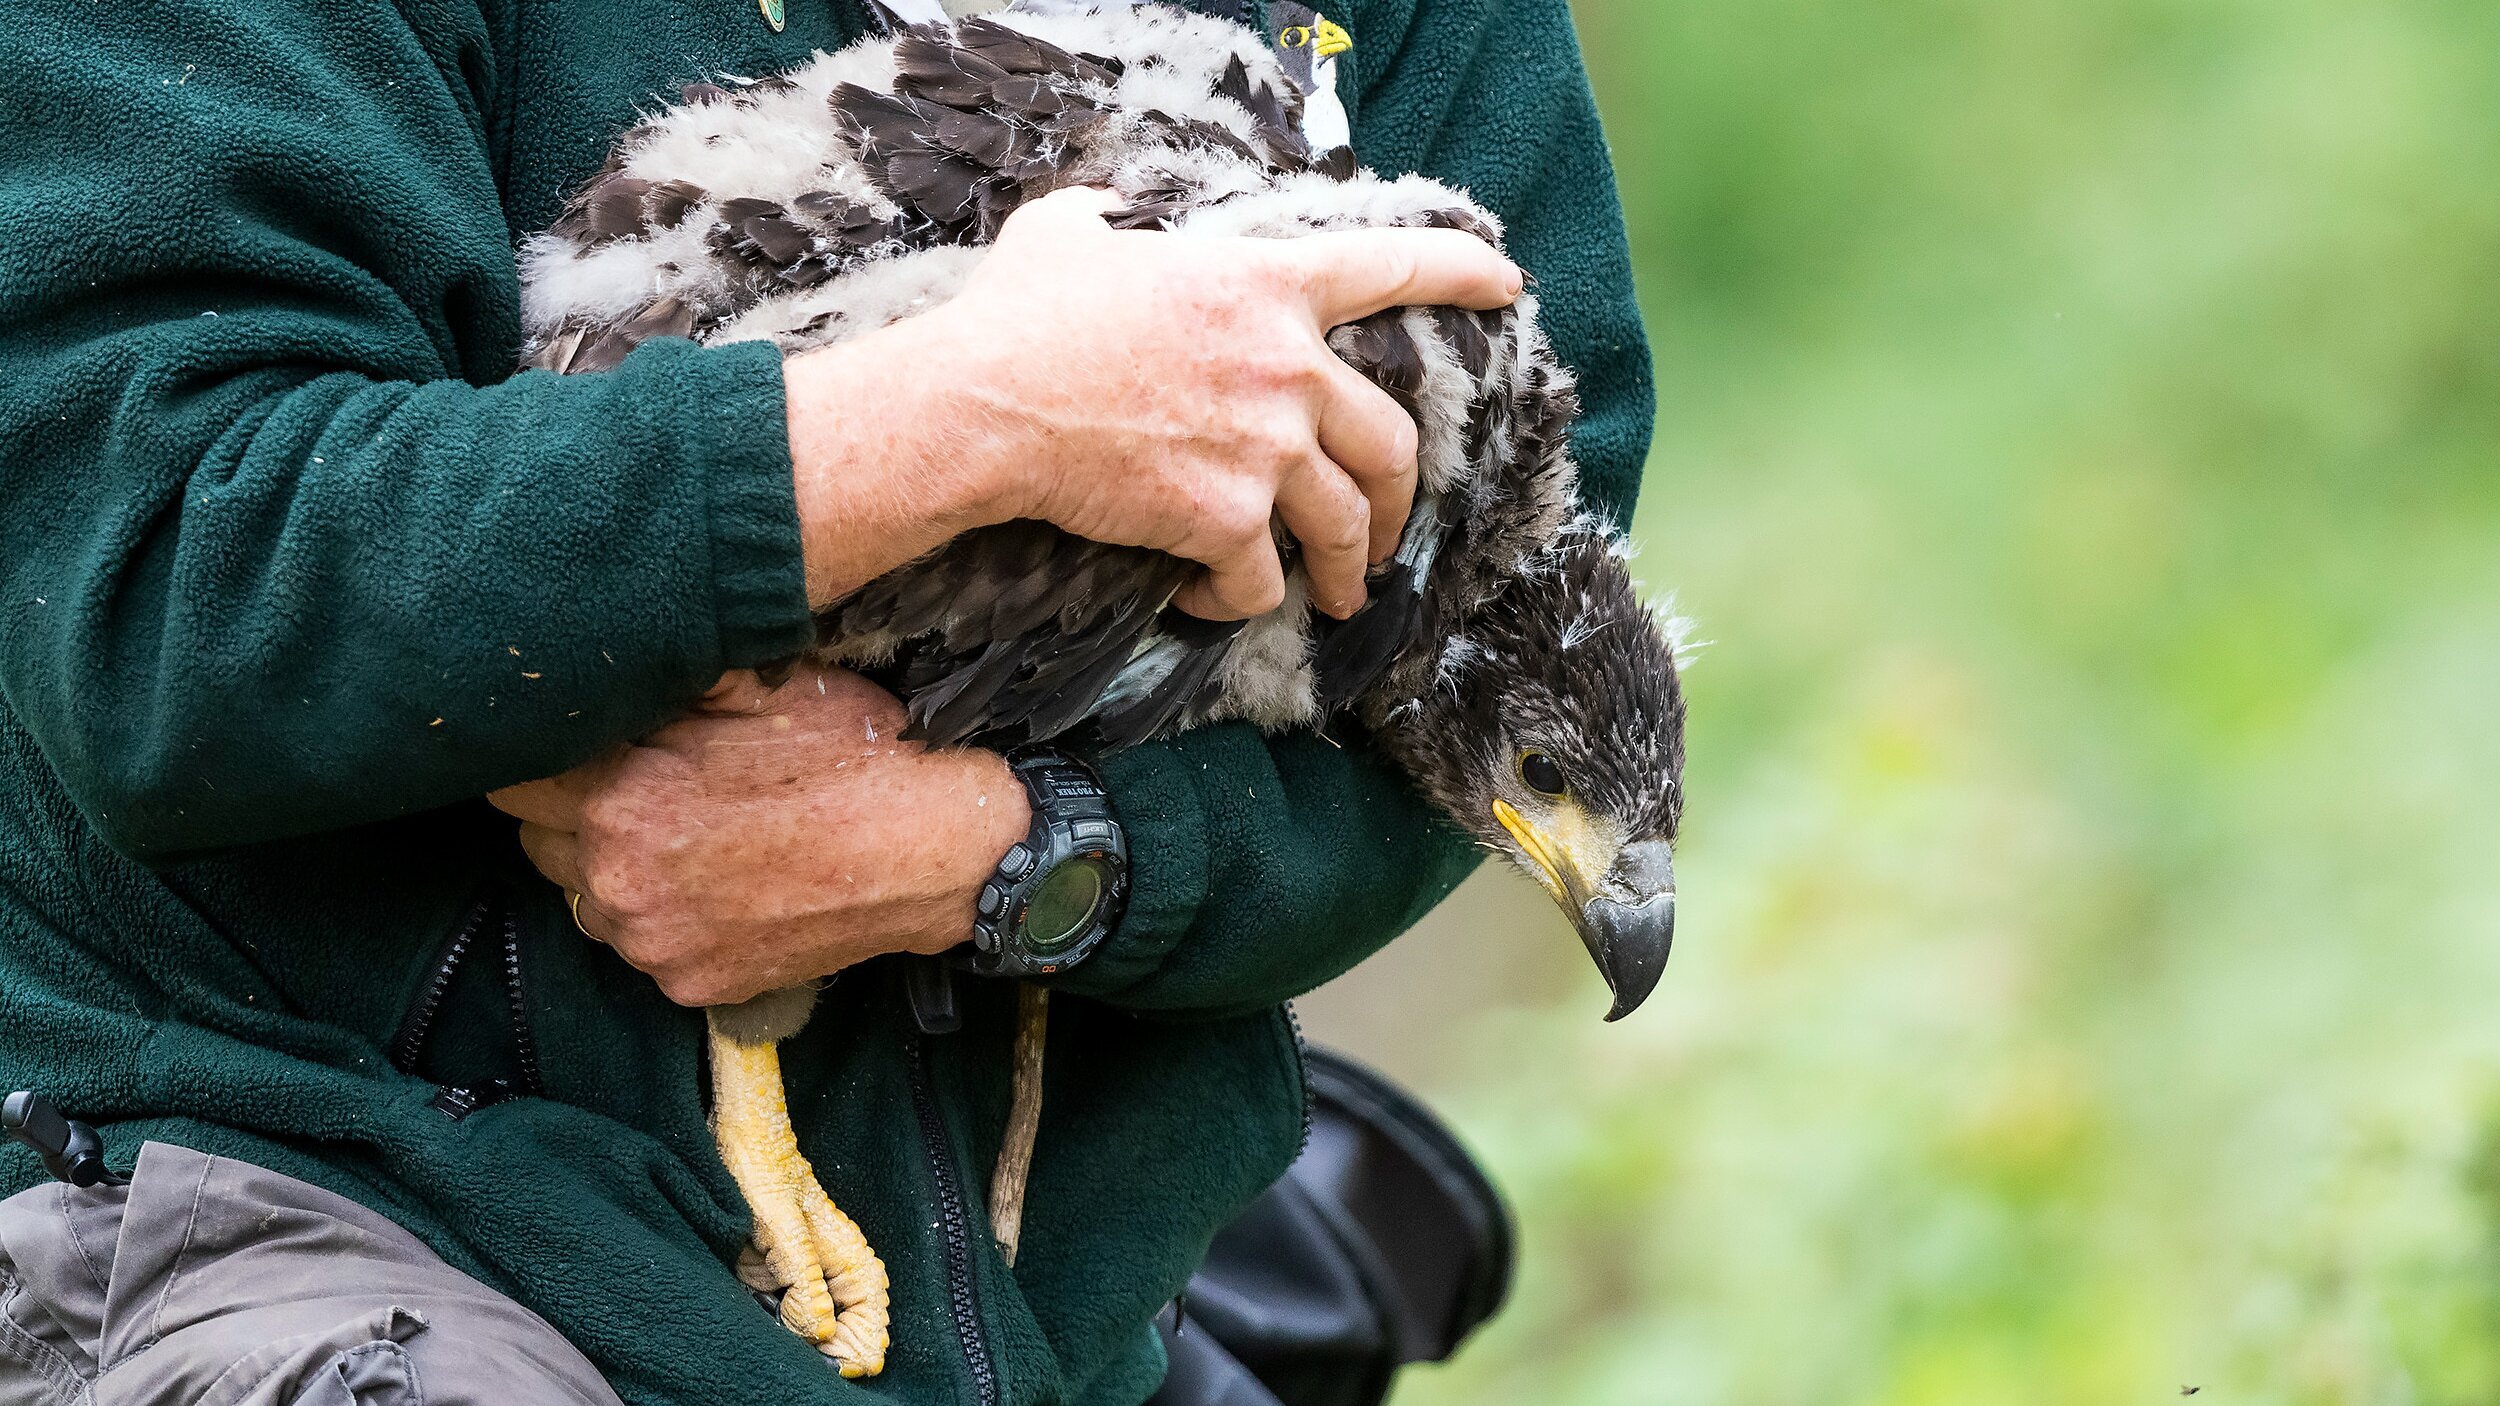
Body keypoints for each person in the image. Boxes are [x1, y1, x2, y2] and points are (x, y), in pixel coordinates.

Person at [0, 0, 1651, 1401]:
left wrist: (1020, 854)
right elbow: (161, 577)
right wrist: (953, 421)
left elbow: (1504, 595)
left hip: (1030, 1303)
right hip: (300, 1202)